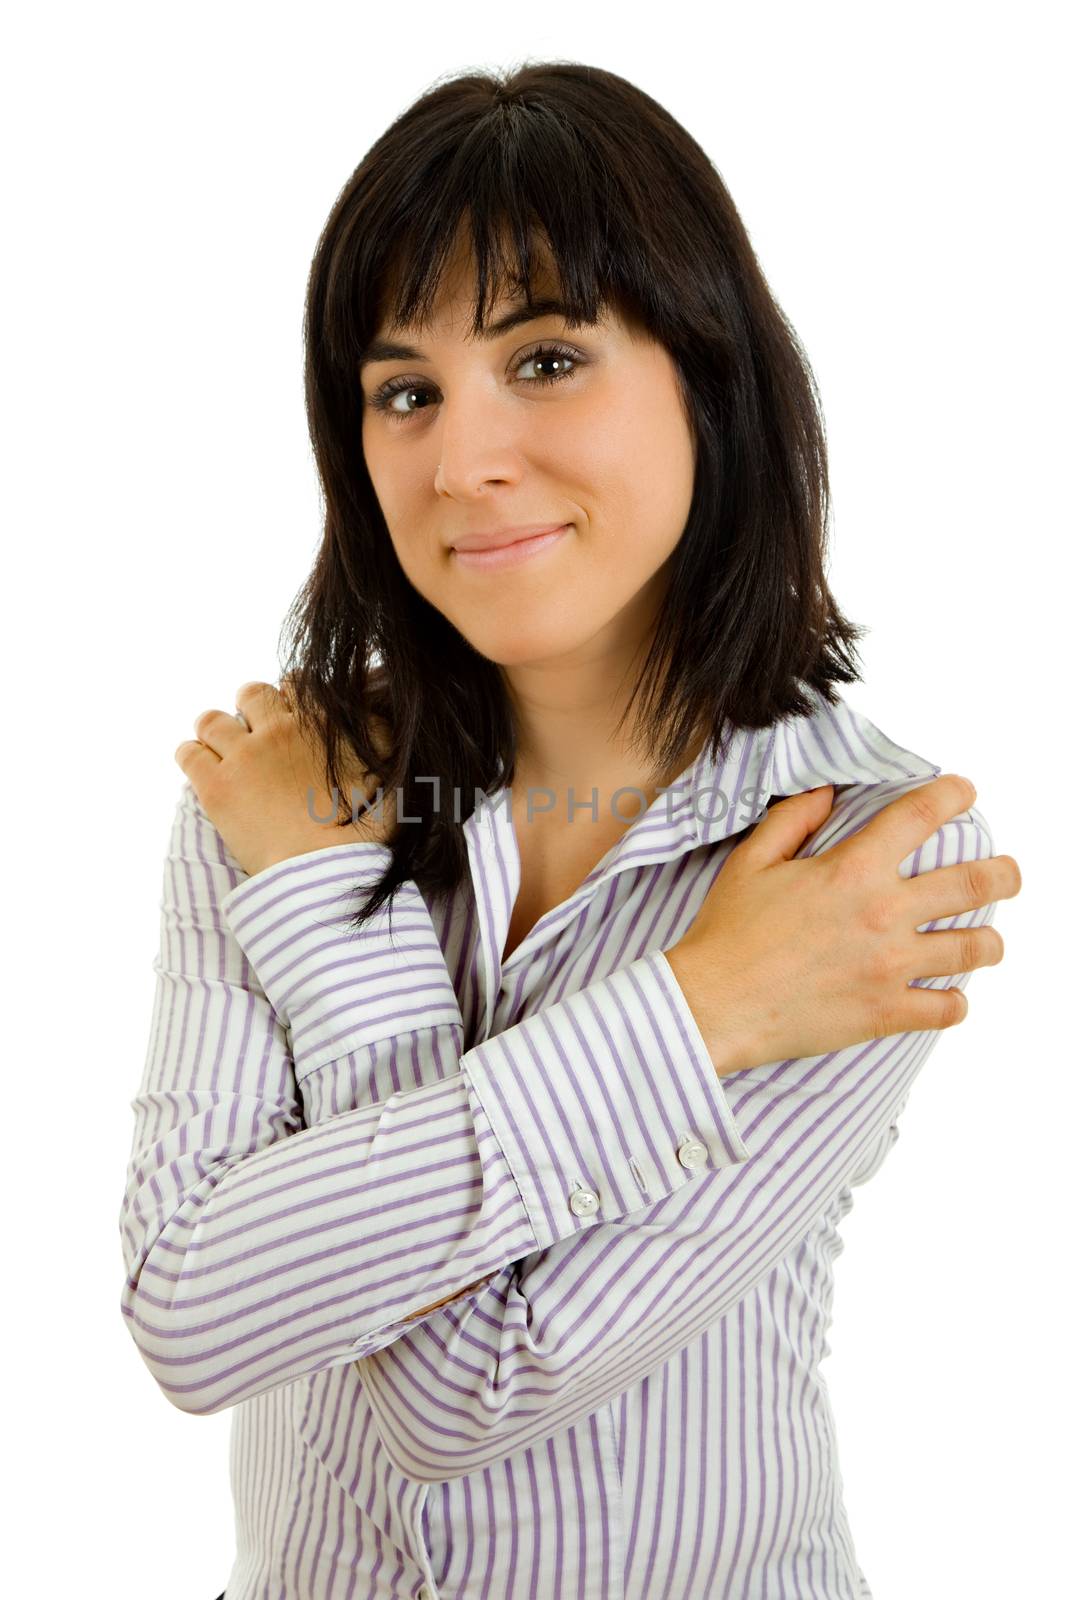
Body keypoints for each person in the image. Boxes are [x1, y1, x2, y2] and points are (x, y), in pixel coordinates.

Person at [119, 61, 1022, 1600]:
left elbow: (464, 1385)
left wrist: (329, 932)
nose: (462, 458)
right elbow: (195, 1314)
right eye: (406, 391)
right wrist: (706, 1007)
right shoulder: (278, 793)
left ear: (708, 375)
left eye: (544, 359)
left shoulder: (868, 862)